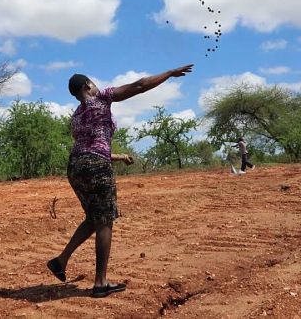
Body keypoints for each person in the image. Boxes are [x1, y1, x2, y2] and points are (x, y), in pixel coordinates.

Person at [47, 64, 194, 298]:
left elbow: (90, 146)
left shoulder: (77, 115)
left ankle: (61, 261)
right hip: (95, 166)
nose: (96, 85)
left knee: (93, 218)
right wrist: (168, 74)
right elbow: (140, 85)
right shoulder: (102, 98)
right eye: (93, 83)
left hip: (75, 167)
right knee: (105, 221)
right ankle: (100, 283)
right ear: (88, 86)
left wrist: (118, 156)